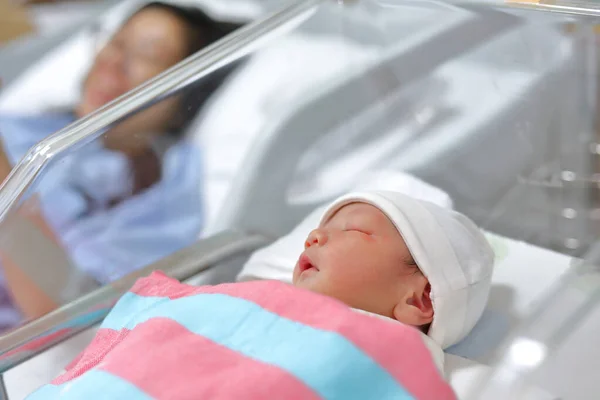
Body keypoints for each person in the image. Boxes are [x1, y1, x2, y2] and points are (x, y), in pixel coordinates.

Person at [0, 2, 243, 330]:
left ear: (185, 89)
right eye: (116, 43)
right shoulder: (27, 125)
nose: (113, 62)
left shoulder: (161, 188)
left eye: (147, 54)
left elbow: (66, 310)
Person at [293, 190, 495, 349]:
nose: (314, 235)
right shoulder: (268, 302)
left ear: (420, 299)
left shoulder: (400, 368)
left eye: (354, 229)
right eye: (323, 227)